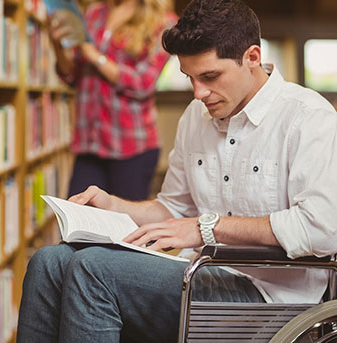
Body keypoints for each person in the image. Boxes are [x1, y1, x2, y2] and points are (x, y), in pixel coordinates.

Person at [17, 0, 337, 341]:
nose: (199, 93)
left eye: (210, 76)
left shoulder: (308, 117)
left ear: (252, 58)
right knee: (48, 262)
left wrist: (207, 229)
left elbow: (321, 228)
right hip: (199, 275)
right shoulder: (195, 118)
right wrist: (115, 206)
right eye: (190, 79)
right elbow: (173, 208)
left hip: (271, 298)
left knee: (93, 268)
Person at [49, 0, 177, 200]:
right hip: (89, 142)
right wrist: (57, 44)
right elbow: (72, 76)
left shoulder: (164, 22)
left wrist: (95, 57)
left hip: (131, 146)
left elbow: (143, 83)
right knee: (76, 219)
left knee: (124, 225)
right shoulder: (93, 14)